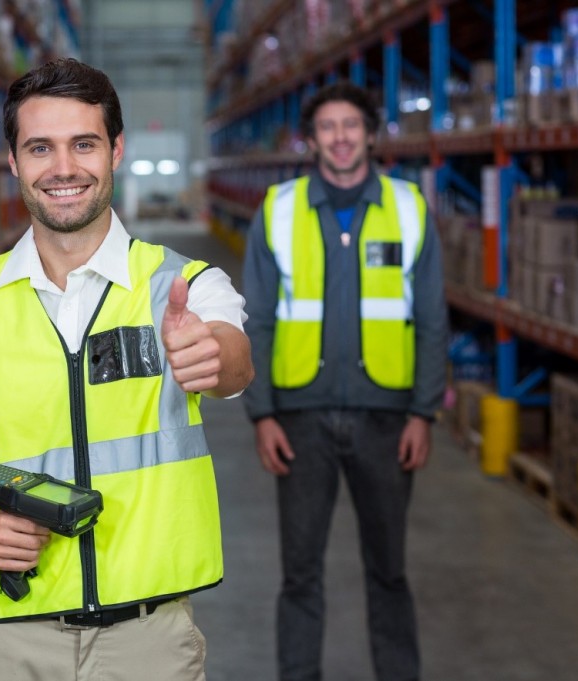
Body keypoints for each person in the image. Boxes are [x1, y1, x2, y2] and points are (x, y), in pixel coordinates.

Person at [0, 58, 253, 681]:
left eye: (83, 144)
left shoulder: (183, 286)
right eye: (40, 148)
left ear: (115, 151)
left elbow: (232, 360)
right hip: (9, 638)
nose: (62, 169)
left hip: (150, 640)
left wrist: (212, 356)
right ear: (13, 161)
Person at [242, 81, 448, 681]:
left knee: (389, 571)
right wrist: (262, 415)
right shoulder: (278, 210)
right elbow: (256, 319)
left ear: (371, 134)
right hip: (298, 421)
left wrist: (423, 413)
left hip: (388, 421)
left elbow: (432, 317)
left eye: (351, 126)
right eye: (327, 127)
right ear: (311, 139)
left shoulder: (409, 208)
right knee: (299, 573)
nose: (339, 138)